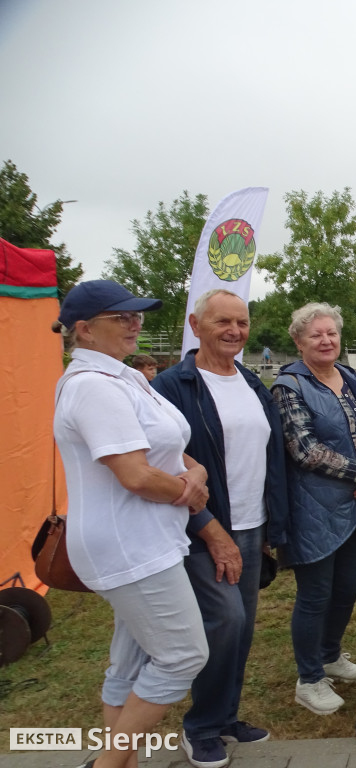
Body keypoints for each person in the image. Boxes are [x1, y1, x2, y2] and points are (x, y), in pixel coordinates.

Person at [51, 280, 209, 768]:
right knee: (183, 656)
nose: (135, 323)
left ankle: (122, 764)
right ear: (84, 330)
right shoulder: (93, 386)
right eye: (121, 317)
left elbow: (165, 445)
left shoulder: (125, 378)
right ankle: (109, 763)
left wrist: (194, 470)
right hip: (128, 545)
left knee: (133, 658)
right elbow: (135, 475)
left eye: (136, 314)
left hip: (147, 540)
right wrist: (190, 490)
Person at [153, 289, 288, 768]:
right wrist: (209, 527)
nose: (235, 331)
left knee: (243, 628)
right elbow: (166, 464)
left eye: (242, 323)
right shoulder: (173, 386)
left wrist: (276, 521)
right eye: (223, 322)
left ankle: (227, 716)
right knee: (224, 621)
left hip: (253, 524)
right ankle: (202, 727)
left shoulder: (251, 382)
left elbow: (269, 455)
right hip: (203, 528)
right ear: (196, 323)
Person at [272, 303, 356, 716]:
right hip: (313, 509)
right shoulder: (289, 386)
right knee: (315, 595)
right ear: (299, 341)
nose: (325, 340)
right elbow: (303, 449)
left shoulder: (350, 378)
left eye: (331, 333)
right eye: (315, 334)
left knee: (346, 590)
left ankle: (330, 654)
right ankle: (309, 678)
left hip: (355, 509)